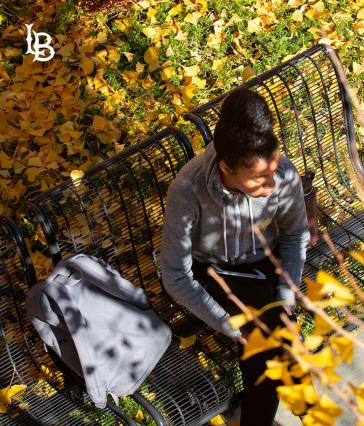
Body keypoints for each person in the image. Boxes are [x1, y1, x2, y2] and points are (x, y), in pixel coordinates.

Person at [160, 87, 310, 426]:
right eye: (260, 178)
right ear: (226, 166)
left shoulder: (283, 174)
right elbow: (174, 274)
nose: (273, 183)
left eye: (273, 168)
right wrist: (227, 324)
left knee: (277, 341)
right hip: (211, 270)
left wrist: (286, 299)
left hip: (261, 265)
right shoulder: (187, 191)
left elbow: (294, 236)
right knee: (268, 348)